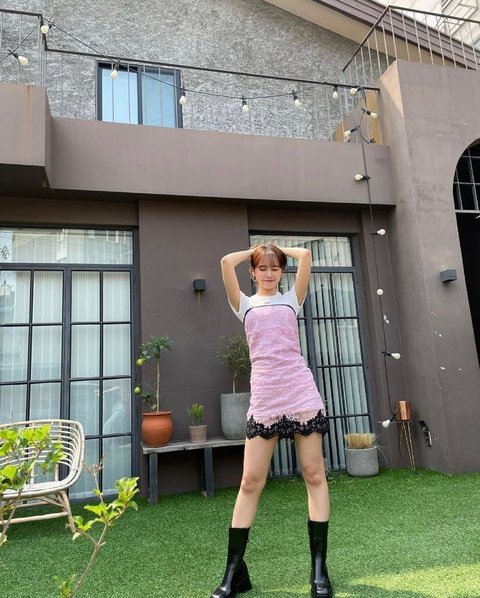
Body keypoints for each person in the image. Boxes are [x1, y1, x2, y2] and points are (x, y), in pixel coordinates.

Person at [211, 244, 332, 598]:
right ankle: (233, 574)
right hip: (265, 397)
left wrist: (274, 249)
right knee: (250, 481)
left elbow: (305, 256)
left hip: (300, 392)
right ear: (252, 272)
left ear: (281, 272)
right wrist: (255, 250)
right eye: (262, 268)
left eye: (275, 268)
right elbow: (225, 261)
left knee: (313, 474)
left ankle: (319, 571)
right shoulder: (244, 305)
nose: (268, 274)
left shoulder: (292, 300)